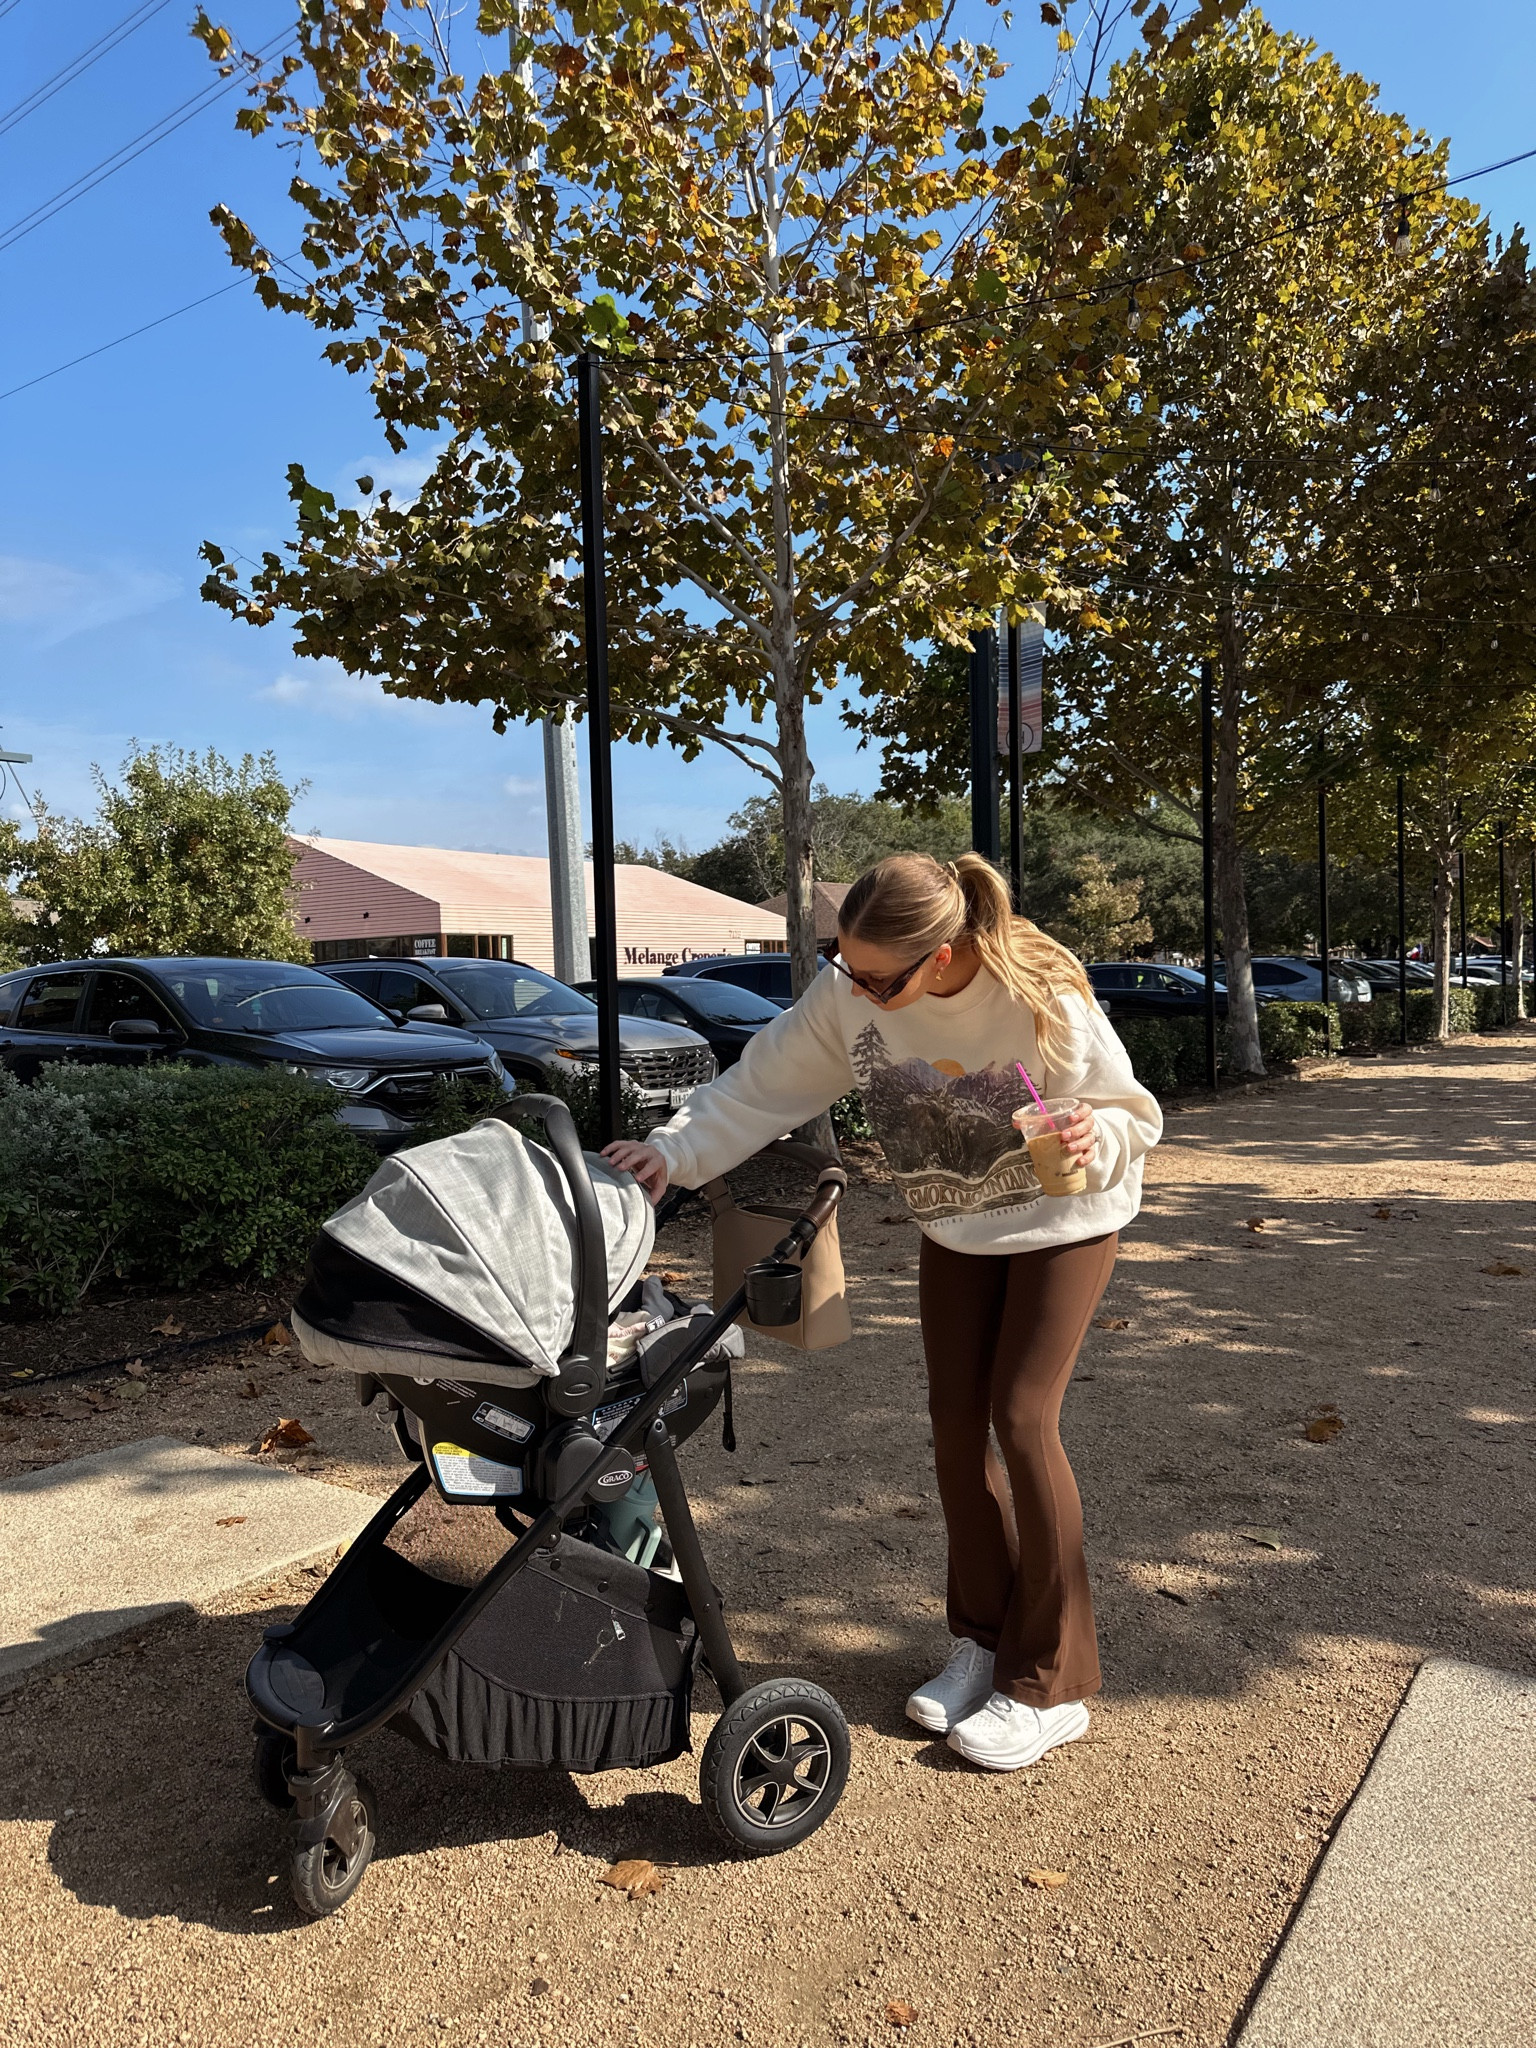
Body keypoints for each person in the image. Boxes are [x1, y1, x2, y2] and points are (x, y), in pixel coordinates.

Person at [604, 852, 1162, 1772]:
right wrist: (674, 1151)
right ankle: (980, 1644)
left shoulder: (1041, 985)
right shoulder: (849, 993)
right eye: (843, 964)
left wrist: (1092, 1132)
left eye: (876, 976)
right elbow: (764, 1083)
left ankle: (1049, 1683)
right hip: (958, 1225)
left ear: (943, 956)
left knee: (1021, 1420)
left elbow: (1131, 1114)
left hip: (1066, 1219)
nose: (854, 987)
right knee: (952, 1431)